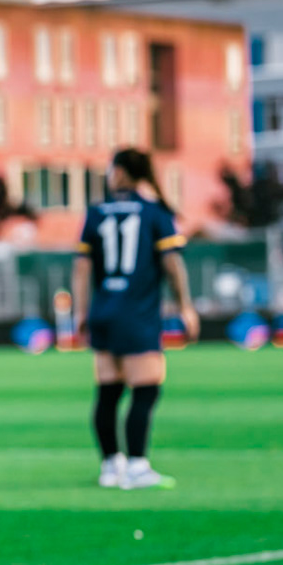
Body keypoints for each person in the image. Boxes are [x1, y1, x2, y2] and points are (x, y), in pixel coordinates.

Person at [72, 148, 200, 489]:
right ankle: (138, 465)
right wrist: (186, 306)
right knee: (146, 390)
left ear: (122, 172)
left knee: (108, 393)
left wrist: (81, 311)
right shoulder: (155, 212)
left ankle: (110, 466)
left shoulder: (96, 212)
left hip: (103, 312)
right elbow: (172, 263)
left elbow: (82, 267)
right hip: (137, 313)